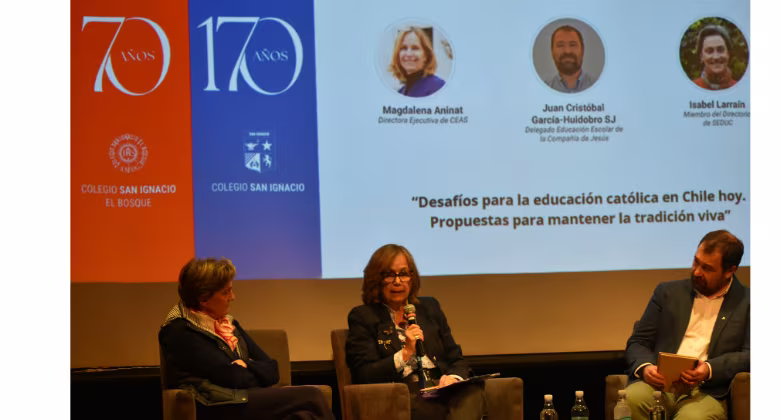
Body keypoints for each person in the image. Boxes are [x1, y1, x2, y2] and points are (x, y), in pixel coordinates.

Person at [159, 257, 334, 420]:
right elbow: (231, 377)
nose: (232, 297)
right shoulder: (180, 331)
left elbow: (272, 369)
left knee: (304, 416)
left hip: (243, 397)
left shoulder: (229, 323)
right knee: (312, 395)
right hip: (214, 405)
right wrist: (249, 369)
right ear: (203, 298)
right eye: (226, 292)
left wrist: (246, 364)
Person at [346, 244, 485, 420]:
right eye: (389, 275)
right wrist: (405, 353)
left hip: (442, 387)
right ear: (376, 280)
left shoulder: (429, 307)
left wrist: (454, 378)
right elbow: (364, 374)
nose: (398, 281)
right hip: (406, 392)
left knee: (472, 390)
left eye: (403, 274)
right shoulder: (364, 316)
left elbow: (456, 357)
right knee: (437, 406)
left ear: (412, 278)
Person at [624, 230, 749, 420]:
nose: (697, 272)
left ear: (730, 271)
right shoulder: (667, 293)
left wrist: (708, 369)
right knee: (630, 400)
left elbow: (752, 355)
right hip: (659, 385)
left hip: (706, 392)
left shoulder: (748, 303)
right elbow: (639, 341)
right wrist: (646, 367)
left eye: (707, 268)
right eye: (695, 262)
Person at [389, 27, 446, 97]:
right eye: (404, 48)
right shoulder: (400, 93)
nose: (409, 54)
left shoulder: (437, 87)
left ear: (426, 56)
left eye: (415, 48)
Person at [545, 25, 594, 93]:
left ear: (582, 50)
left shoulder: (600, 85)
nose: (567, 51)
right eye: (560, 45)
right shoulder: (541, 89)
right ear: (552, 52)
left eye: (572, 45)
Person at [692, 25, 737, 90]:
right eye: (709, 51)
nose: (716, 57)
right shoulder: (692, 88)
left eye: (720, 50)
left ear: (728, 53)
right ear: (701, 56)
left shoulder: (740, 88)